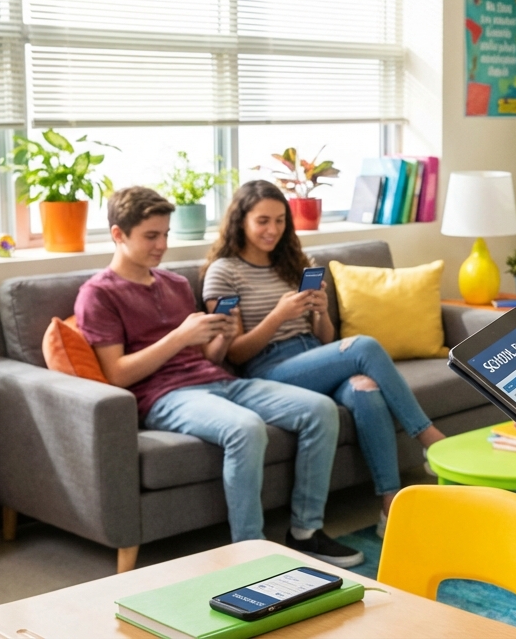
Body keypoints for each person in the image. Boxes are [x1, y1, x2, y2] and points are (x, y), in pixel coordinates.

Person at [74, 186, 364, 566]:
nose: (161, 245)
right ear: (118, 235)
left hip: (218, 380)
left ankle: (306, 531)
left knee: (320, 410)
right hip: (164, 396)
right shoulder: (98, 294)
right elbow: (116, 375)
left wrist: (220, 338)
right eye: (150, 236)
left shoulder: (175, 285)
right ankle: (251, 552)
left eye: (165, 234)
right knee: (245, 428)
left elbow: (204, 356)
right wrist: (179, 336)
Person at [202, 180, 446, 532]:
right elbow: (237, 354)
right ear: (241, 221)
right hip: (269, 369)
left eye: (280, 221)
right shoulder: (224, 272)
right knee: (363, 346)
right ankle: (427, 438)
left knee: (366, 389)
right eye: (263, 221)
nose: (273, 230)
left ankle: (389, 506)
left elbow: (325, 338)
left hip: (314, 356)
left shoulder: (294, 263)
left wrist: (319, 312)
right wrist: (278, 316)